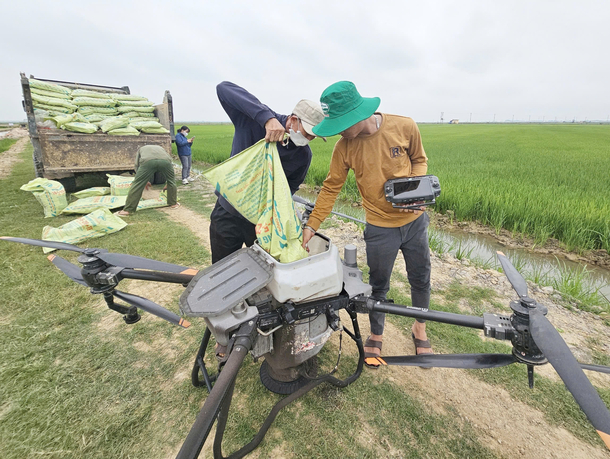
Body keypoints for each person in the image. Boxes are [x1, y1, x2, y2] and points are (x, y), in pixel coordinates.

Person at [303, 81, 433, 368]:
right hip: (379, 226)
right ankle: (377, 332)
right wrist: (312, 224)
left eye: (341, 123)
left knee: (420, 276)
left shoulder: (404, 126)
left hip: (414, 222)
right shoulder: (344, 147)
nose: (338, 130)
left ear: (357, 114)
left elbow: (419, 160)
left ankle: (419, 328)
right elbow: (331, 187)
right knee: (378, 283)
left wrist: (417, 189)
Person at [209, 81, 326, 264]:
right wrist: (267, 119)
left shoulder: (303, 155)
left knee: (262, 272)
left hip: (261, 225)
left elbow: (289, 190)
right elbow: (223, 88)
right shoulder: (255, 121)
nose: (310, 138)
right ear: (294, 120)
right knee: (221, 269)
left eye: (314, 136)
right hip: (228, 213)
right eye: (309, 132)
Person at [115, 145, 180, 216]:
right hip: (165, 162)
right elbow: (169, 161)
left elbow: (137, 164)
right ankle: (173, 204)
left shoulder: (141, 149)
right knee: (172, 182)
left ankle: (128, 210)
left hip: (148, 161)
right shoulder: (161, 148)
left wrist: (142, 180)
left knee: (137, 184)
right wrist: (169, 182)